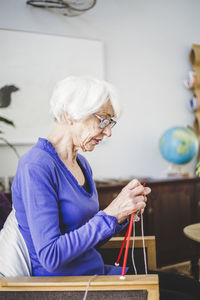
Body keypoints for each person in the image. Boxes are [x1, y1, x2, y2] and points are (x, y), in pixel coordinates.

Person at [1, 76, 200, 300]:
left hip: (96, 273)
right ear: (70, 115)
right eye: (103, 120)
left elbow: (89, 236)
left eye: (111, 122)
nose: (108, 132)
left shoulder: (81, 163)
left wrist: (120, 216)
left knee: (191, 287)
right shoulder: (36, 166)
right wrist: (110, 214)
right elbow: (51, 255)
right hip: (67, 288)